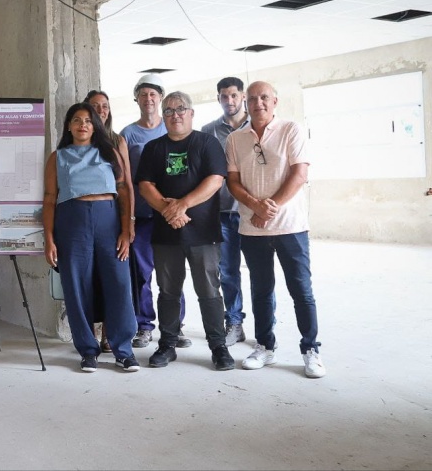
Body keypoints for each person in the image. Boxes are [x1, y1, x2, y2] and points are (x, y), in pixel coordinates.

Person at [225, 81, 326, 378]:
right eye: (253, 98)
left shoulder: (290, 130)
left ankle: (311, 349)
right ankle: (265, 348)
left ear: (275, 101)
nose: (259, 103)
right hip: (252, 228)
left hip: (290, 227)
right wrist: (255, 206)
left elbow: (300, 173)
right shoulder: (235, 138)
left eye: (264, 97)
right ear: (246, 103)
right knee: (261, 291)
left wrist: (269, 207)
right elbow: (232, 180)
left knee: (301, 290)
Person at [136, 92, 235, 371]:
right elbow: (145, 185)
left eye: (181, 109)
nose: (175, 114)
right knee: (168, 291)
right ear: (162, 116)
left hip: (203, 232)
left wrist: (182, 205)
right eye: (168, 110)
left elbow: (216, 179)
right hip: (166, 233)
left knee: (209, 290)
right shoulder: (154, 148)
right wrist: (169, 211)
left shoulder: (207, 143)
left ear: (191, 113)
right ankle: (167, 344)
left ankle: (218, 346)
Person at [43, 103, 139, 373]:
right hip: (71, 220)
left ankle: (124, 350)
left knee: (118, 282)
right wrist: (49, 239)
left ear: (95, 124)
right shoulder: (58, 157)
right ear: (69, 126)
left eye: (87, 120)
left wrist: (125, 229)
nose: (82, 125)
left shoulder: (109, 152)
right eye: (76, 120)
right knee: (76, 285)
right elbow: (50, 199)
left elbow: (123, 190)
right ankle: (87, 350)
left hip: (108, 220)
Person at [120, 74, 189, 349]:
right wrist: (130, 218)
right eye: (143, 94)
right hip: (144, 217)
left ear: (160, 99)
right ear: (136, 98)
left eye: (153, 94)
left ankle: (175, 327)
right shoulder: (128, 134)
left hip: (171, 217)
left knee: (172, 274)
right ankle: (144, 325)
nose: (148, 99)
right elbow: (125, 180)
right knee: (142, 275)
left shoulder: (172, 129)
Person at [200, 77, 253, 346]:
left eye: (234, 95)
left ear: (242, 96)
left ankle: (266, 327)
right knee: (228, 271)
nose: (229, 101)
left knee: (260, 272)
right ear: (218, 98)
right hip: (221, 214)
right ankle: (234, 321)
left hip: (252, 213)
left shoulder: (257, 127)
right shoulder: (208, 131)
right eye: (224, 96)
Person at [83, 90, 134, 354]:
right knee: (87, 280)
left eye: (105, 106)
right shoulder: (76, 142)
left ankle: (109, 335)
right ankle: (88, 335)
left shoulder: (117, 141)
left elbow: (126, 186)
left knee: (112, 280)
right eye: (95, 106)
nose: (101, 110)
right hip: (82, 223)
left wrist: (129, 225)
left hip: (111, 219)